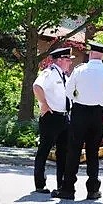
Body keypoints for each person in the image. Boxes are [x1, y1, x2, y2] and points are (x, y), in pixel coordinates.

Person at [57, 40, 103, 201]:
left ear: (90, 53)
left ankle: (68, 189)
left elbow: (69, 91)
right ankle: (92, 189)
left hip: (79, 112)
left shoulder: (80, 70)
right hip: (98, 114)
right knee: (93, 153)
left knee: (73, 151)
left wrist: (77, 99)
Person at [32, 47, 75, 195]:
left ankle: (61, 185)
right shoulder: (49, 73)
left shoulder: (65, 76)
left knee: (63, 152)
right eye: (68, 60)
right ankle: (40, 184)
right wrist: (43, 103)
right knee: (44, 150)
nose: (70, 63)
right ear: (60, 60)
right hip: (51, 117)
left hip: (64, 117)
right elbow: (37, 86)